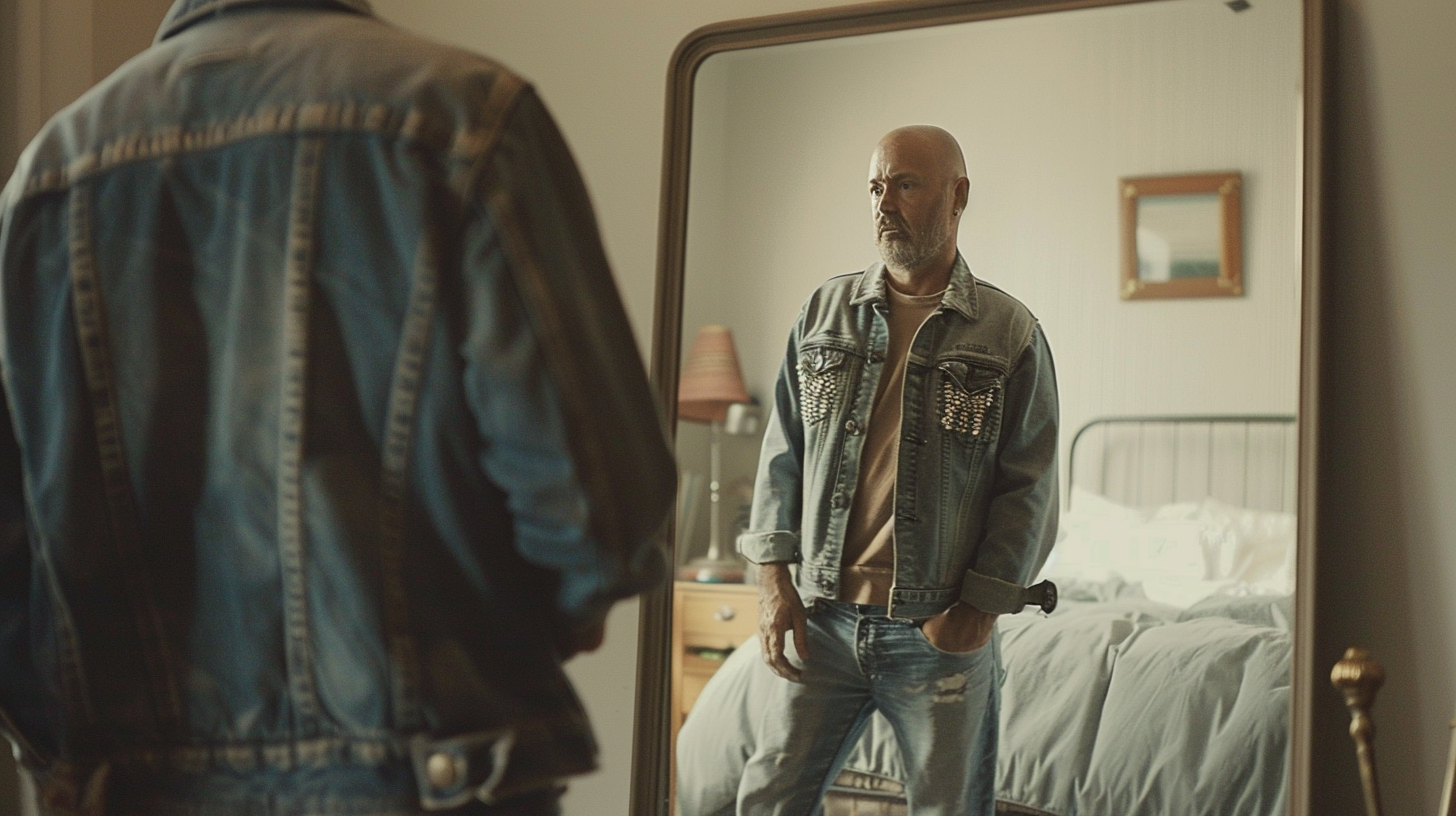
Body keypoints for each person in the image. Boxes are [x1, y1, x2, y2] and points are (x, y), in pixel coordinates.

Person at [0, 1, 673, 814]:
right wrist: (529, 631)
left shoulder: (46, 176)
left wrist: (77, 744)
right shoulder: (464, 114)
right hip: (427, 776)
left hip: (135, 786)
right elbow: (598, 510)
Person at [734, 125, 1059, 816]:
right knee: (765, 799)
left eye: (906, 184)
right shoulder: (824, 313)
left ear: (957, 194)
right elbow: (781, 453)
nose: (885, 202)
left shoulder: (1007, 332)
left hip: (935, 627)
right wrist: (772, 581)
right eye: (877, 186)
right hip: (819, 620)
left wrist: (975, 610)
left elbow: (1028, 489)